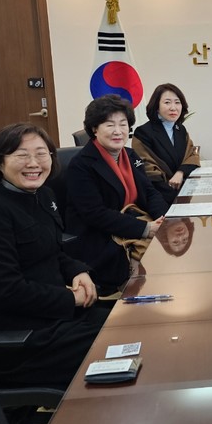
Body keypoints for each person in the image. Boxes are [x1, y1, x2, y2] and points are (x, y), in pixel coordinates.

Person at [0, 123, 108, 390]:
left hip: (56, 318)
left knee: (132, 325)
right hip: (24, 341)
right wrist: (71, 298)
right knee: (123, 346)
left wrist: (78, 270)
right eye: (21, 155)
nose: (33, 163)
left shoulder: (42, 195)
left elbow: (52, 250)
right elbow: (7, 291)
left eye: (41, 154)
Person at [65, 94, 169, 294]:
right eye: (109, 125)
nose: (118, 131)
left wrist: (163, 219)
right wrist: (146, 229)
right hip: (99, 235)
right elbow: (95, 214)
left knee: (169, 247)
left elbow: (149, 191)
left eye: (123, 124)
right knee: (150, 265)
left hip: (130, 223)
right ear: (94, 128)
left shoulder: (129, 155)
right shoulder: (81, 164)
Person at [132, 83, 200, 204]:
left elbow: (192, 155)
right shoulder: (143, 132)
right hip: (158, 196)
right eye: (167, 102)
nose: (173, 108)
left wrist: (180, 172)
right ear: (156, 106)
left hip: (183, 190)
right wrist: (174, 194)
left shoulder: (180, 129)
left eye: (177, 102)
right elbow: (148, 169)